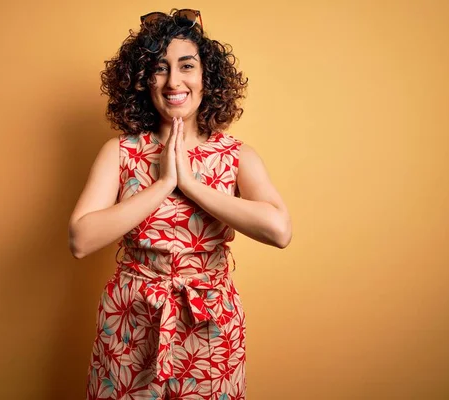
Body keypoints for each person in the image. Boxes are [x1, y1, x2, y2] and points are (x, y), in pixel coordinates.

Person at [68, 8, 292, 399]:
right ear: (142, 80)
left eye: (186, 66)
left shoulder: (237, 155)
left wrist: (190, 184)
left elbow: (279, 230)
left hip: (210, 322)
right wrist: (164, 183)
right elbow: (81, 240)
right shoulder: (120, 152)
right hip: (132, 317)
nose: (174, 81)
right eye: (159, 68)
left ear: (207, 77)